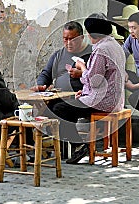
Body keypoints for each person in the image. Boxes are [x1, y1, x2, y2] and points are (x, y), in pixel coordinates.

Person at [52, 13, 126, 164]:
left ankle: (79, 146)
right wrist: (85, 92)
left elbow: (94, 81)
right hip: (114, 99)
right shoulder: (115, 45)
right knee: (66, 106)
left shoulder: (101, 50)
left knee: (59, 109)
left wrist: (82, 68)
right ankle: (74, 145)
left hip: (104, 102)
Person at [31, 21, 92, 92]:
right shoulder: (58, 55)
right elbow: (46, 74)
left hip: (82, 98)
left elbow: (99, 78)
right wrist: (41, 85)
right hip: (60, 97)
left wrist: (82, 74)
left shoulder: (93, 54)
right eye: (66, 39)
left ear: (81, 38)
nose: (69, 43)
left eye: (73, 39)